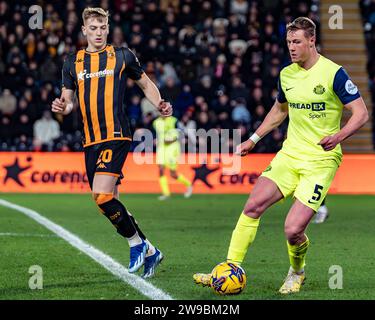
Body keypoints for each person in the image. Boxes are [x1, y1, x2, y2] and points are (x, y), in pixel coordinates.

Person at [193, 17, 368, 294]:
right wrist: (253, 139)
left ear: (312, 41)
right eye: (288, 42)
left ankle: (296, 272)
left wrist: (338, 137)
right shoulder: (286, 74)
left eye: (297, 42)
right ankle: (229, 269)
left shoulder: (334, 73)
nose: (292, 48)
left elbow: (361, 113)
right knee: (252, 207)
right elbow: (279, 110)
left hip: (320, 162)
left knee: (292, 230)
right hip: (289, 155)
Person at [51, 7, 172, 278]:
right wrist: (62, 106)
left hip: (116, 135)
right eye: (93, 28)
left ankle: (136, 244)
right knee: (104, 200)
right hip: (90, 140)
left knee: (103, 195)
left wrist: (159, 102)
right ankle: (152, 251)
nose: (98, 32)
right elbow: (68, 101)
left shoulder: (122, 56)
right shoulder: (73, 62)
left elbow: (145, 83)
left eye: (102, 27)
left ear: (108, 28)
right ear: (84, 30)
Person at [153, 115, 193, 200]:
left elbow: (180, 134)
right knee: (160, 170)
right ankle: (166, 194)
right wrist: (155, 139)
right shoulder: (156, 122)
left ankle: (188, 184)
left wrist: (170, 140)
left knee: (173, 174)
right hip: (161, 149)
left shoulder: (174, 121)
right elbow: (155, 134)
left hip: (172, 149)